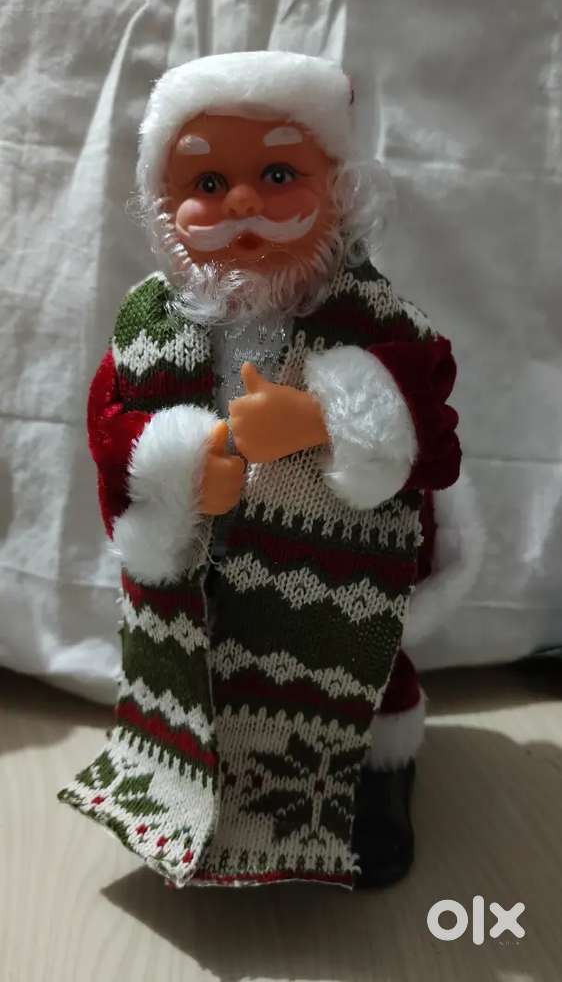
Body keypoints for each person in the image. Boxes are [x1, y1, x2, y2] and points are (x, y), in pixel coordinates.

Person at [59, 51, 475, 890]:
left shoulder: (376, 317)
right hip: (214, 565)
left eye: (278, 174)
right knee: (221, 667)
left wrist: (327, 420)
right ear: (164, 205)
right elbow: (113, 426)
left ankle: (372, 776)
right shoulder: (150, 323)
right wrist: (179, 468)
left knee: (362, 676)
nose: (242, 202)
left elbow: (433, 429)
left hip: (343, 580)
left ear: (340, 192)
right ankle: (209, 783)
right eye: (208, 183)